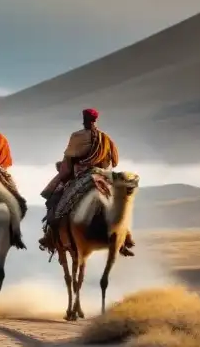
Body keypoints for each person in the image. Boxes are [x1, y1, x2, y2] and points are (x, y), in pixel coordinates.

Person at [38, 108, 133, 255]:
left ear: (84, 120)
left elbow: (68, 161)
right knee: (117, 202)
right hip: (103, 176)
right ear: (96, 120)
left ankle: (50, 236)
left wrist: (64, 172)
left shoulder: (76, 137)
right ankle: (125, 237)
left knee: (54, 200)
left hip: (81, 175)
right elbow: (113, 162)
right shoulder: (106, 139)